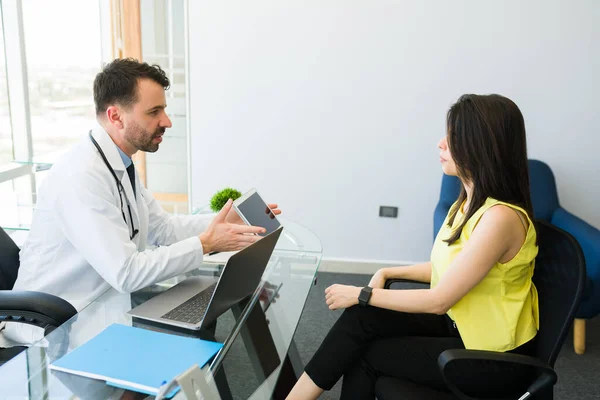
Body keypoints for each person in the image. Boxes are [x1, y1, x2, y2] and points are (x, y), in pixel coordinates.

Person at [4, 58, 280, 343]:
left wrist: (225, 221)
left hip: (103, 307)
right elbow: (126, 272)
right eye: (154, 112)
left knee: (197, 328)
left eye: (164, 109)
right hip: (54, 331)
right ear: (115, 116)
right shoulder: (79, 177)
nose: (167, 121)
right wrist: (208, 242)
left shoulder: (118, 164)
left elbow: (164, 230)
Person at [287, 94, 539, 399]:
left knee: (364, 348)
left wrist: (362, 293)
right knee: (362, 319)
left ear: (482, 146)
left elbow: (439, 301)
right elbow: (446, 269)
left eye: (454, 137)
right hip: (461, 325)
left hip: (492, 358)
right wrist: (386, 271)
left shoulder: (500, 218)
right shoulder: (467, 203)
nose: (441, 144)